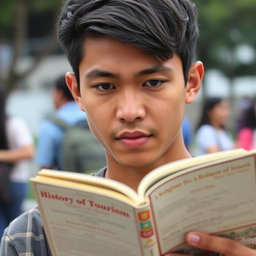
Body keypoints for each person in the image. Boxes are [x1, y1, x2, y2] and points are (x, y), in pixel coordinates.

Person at [1, 0, 255, 255]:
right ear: (77, 92)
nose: (130, 111)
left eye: (153, 82)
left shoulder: (247, 212)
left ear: (191, 82)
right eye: (105, 86)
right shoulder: (32, 237)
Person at [0, 85, 34, 238]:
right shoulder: (15, 123)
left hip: (13, 182)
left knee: (10, 230)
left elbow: (28, 152)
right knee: (13, 231)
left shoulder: (13, 124)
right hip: (16, 183)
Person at [36, 74, 85, 170]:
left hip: (69, 182)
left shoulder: (50, 124)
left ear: (59, 94)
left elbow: (45, 166)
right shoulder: (92, 116)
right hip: (103, 181)